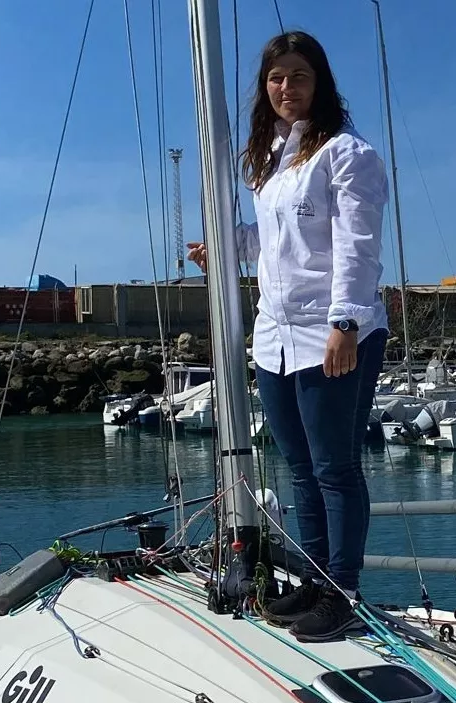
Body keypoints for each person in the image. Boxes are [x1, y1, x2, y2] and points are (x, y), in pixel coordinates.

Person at [188, 31, 388, 643]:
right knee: (300, 469)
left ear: (319, 82)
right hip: (274, 335)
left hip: (333, 332)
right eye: (276, 79)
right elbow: (277, 245)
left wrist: (345, 324)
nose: (286, 88)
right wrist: (226, 246)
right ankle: (316, 579)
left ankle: (343, 589)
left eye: (298, 76)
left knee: (334, 467)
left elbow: (356, 245)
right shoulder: (272, 162)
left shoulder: (347, 155)